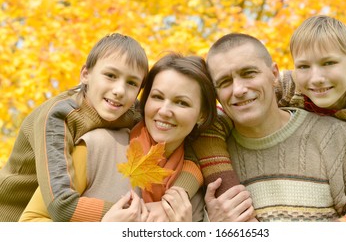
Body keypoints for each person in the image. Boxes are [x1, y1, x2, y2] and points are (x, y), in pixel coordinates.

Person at [19, 53, 217, 222]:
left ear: (202, 114)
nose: (164, 111)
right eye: (157, 97)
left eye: (181, 103)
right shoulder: (97, 147)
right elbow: (28, 224)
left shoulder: (195, 186)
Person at [202, 33, 346, 221]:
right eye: (225, 82)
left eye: (248, 74)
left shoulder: (335, 138)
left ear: (273, 75)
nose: (238, 90)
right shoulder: (215, 165)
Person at [275, 15, 346, 221]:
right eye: (303, 66)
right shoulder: (290, 86)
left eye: (328, 63)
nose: (316, 78)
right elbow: (226, 110)